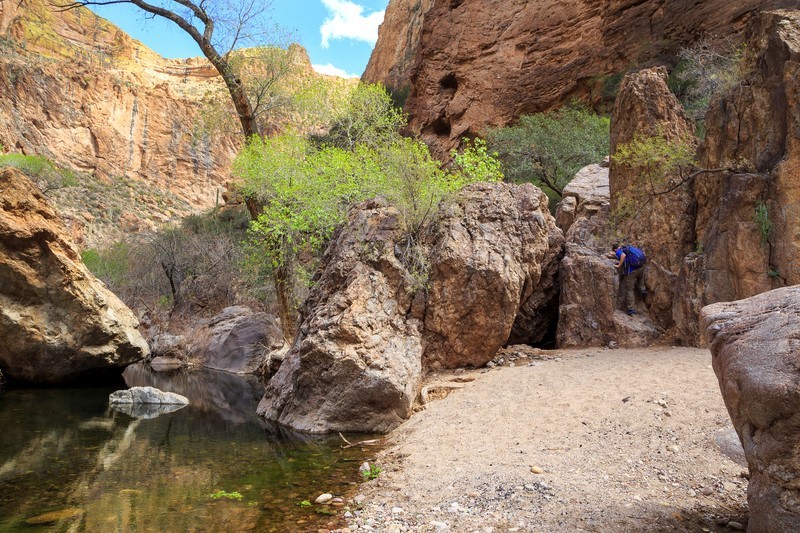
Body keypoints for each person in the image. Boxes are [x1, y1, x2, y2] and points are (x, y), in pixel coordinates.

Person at [612, 243, 647, 315]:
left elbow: (623, 255)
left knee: (630, 289)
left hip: (632, 271)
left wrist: (619, 265)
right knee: (640, 279)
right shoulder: (628, 248)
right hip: (641, 267)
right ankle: (642, 289)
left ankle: (631, 308)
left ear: (615, 249)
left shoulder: (619, 251)